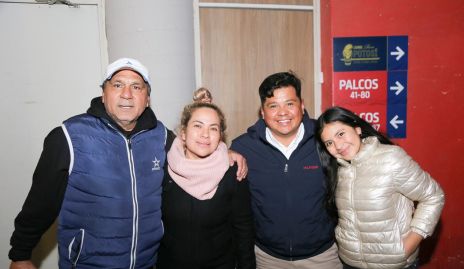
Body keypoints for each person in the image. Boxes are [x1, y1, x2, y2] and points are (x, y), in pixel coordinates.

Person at [8, 58, 247, 269]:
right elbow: (40, 203)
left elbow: (197, 148)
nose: (127, 94)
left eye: (136, 87)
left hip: (147, 263)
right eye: (118, 85)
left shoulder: (161, 137)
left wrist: (226, 154)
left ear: (147, 98)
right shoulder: (69, 137)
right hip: (88, 264)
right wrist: (20, 255)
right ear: (103, 93)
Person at [230, 71, 342, 269]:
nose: (283, 113)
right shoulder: (243, 148)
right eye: (273, 106)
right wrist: (224, 152)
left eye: (290, 104)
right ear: (262, 112)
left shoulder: (325, 140)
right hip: (267, 258)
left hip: (322, 256)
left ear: (302, 105)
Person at [316, 106, 445, 269]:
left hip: (394, 264)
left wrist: (408, 246)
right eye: (329, 143)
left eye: (341, 134)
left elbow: (433, 196)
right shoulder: (338, 169)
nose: (338, 146)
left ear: (357, 129)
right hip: (350, 262)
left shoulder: (391, 158)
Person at [156, 102, 255, 269]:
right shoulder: (162, 169)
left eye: (213, 128)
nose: (205, 134)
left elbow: (243, 228)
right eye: (197, 126)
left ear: (220, 136)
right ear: (183, 133)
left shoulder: (233, 171)